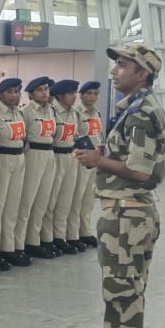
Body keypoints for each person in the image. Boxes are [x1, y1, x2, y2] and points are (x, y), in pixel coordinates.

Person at [75, 44, 165, 328]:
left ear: (142, 73)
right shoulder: (134, 108)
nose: (114, 71)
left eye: (123, 65)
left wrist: (97, 161)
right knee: (127, 292)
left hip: (127, 216)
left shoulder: (142, 112)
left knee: (122, 295)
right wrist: (102, 153)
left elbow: (140, 171)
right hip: (130, 213)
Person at [0, 78, 28, 268]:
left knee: (13, 205)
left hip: (19, 158)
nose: (15, 95)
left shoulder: (19, 113)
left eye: (17, 91)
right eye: (10, 91)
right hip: (2, 158)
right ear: (0, 95)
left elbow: (23, 138)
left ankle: (9, 247)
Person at [14, 76, 58, 260]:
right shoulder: (27, 112)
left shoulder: (52, 111)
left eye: (46, 89)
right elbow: (21, 137)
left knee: (43, 200)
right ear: (31, 94)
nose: (45, 92)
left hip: (49, 154)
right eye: (40, 90)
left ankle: (34, 240)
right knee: (27, 201)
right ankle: (19, 243)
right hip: (33, 154)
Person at [47, 80, 83, 255]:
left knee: (66, 199)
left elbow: (77, 136)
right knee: (50, 199)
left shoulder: (75, 113)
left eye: (75, 92)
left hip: (71, 156)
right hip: (55, 156)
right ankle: (47, 237)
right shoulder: (52, 112)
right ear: (60, 96)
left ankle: (60, 236)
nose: (74, 96)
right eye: (70, 93)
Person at [71, 81, 104, 248]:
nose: (93, 96)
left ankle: (85, 231)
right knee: (77, 196)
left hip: (95, 158)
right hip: (82, 158)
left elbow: (98, 135)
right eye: (89, 93)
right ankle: (73, 233)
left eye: (96, 93)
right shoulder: (76, 113)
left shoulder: (96, 113)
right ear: (81, 95)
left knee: (89, 198)